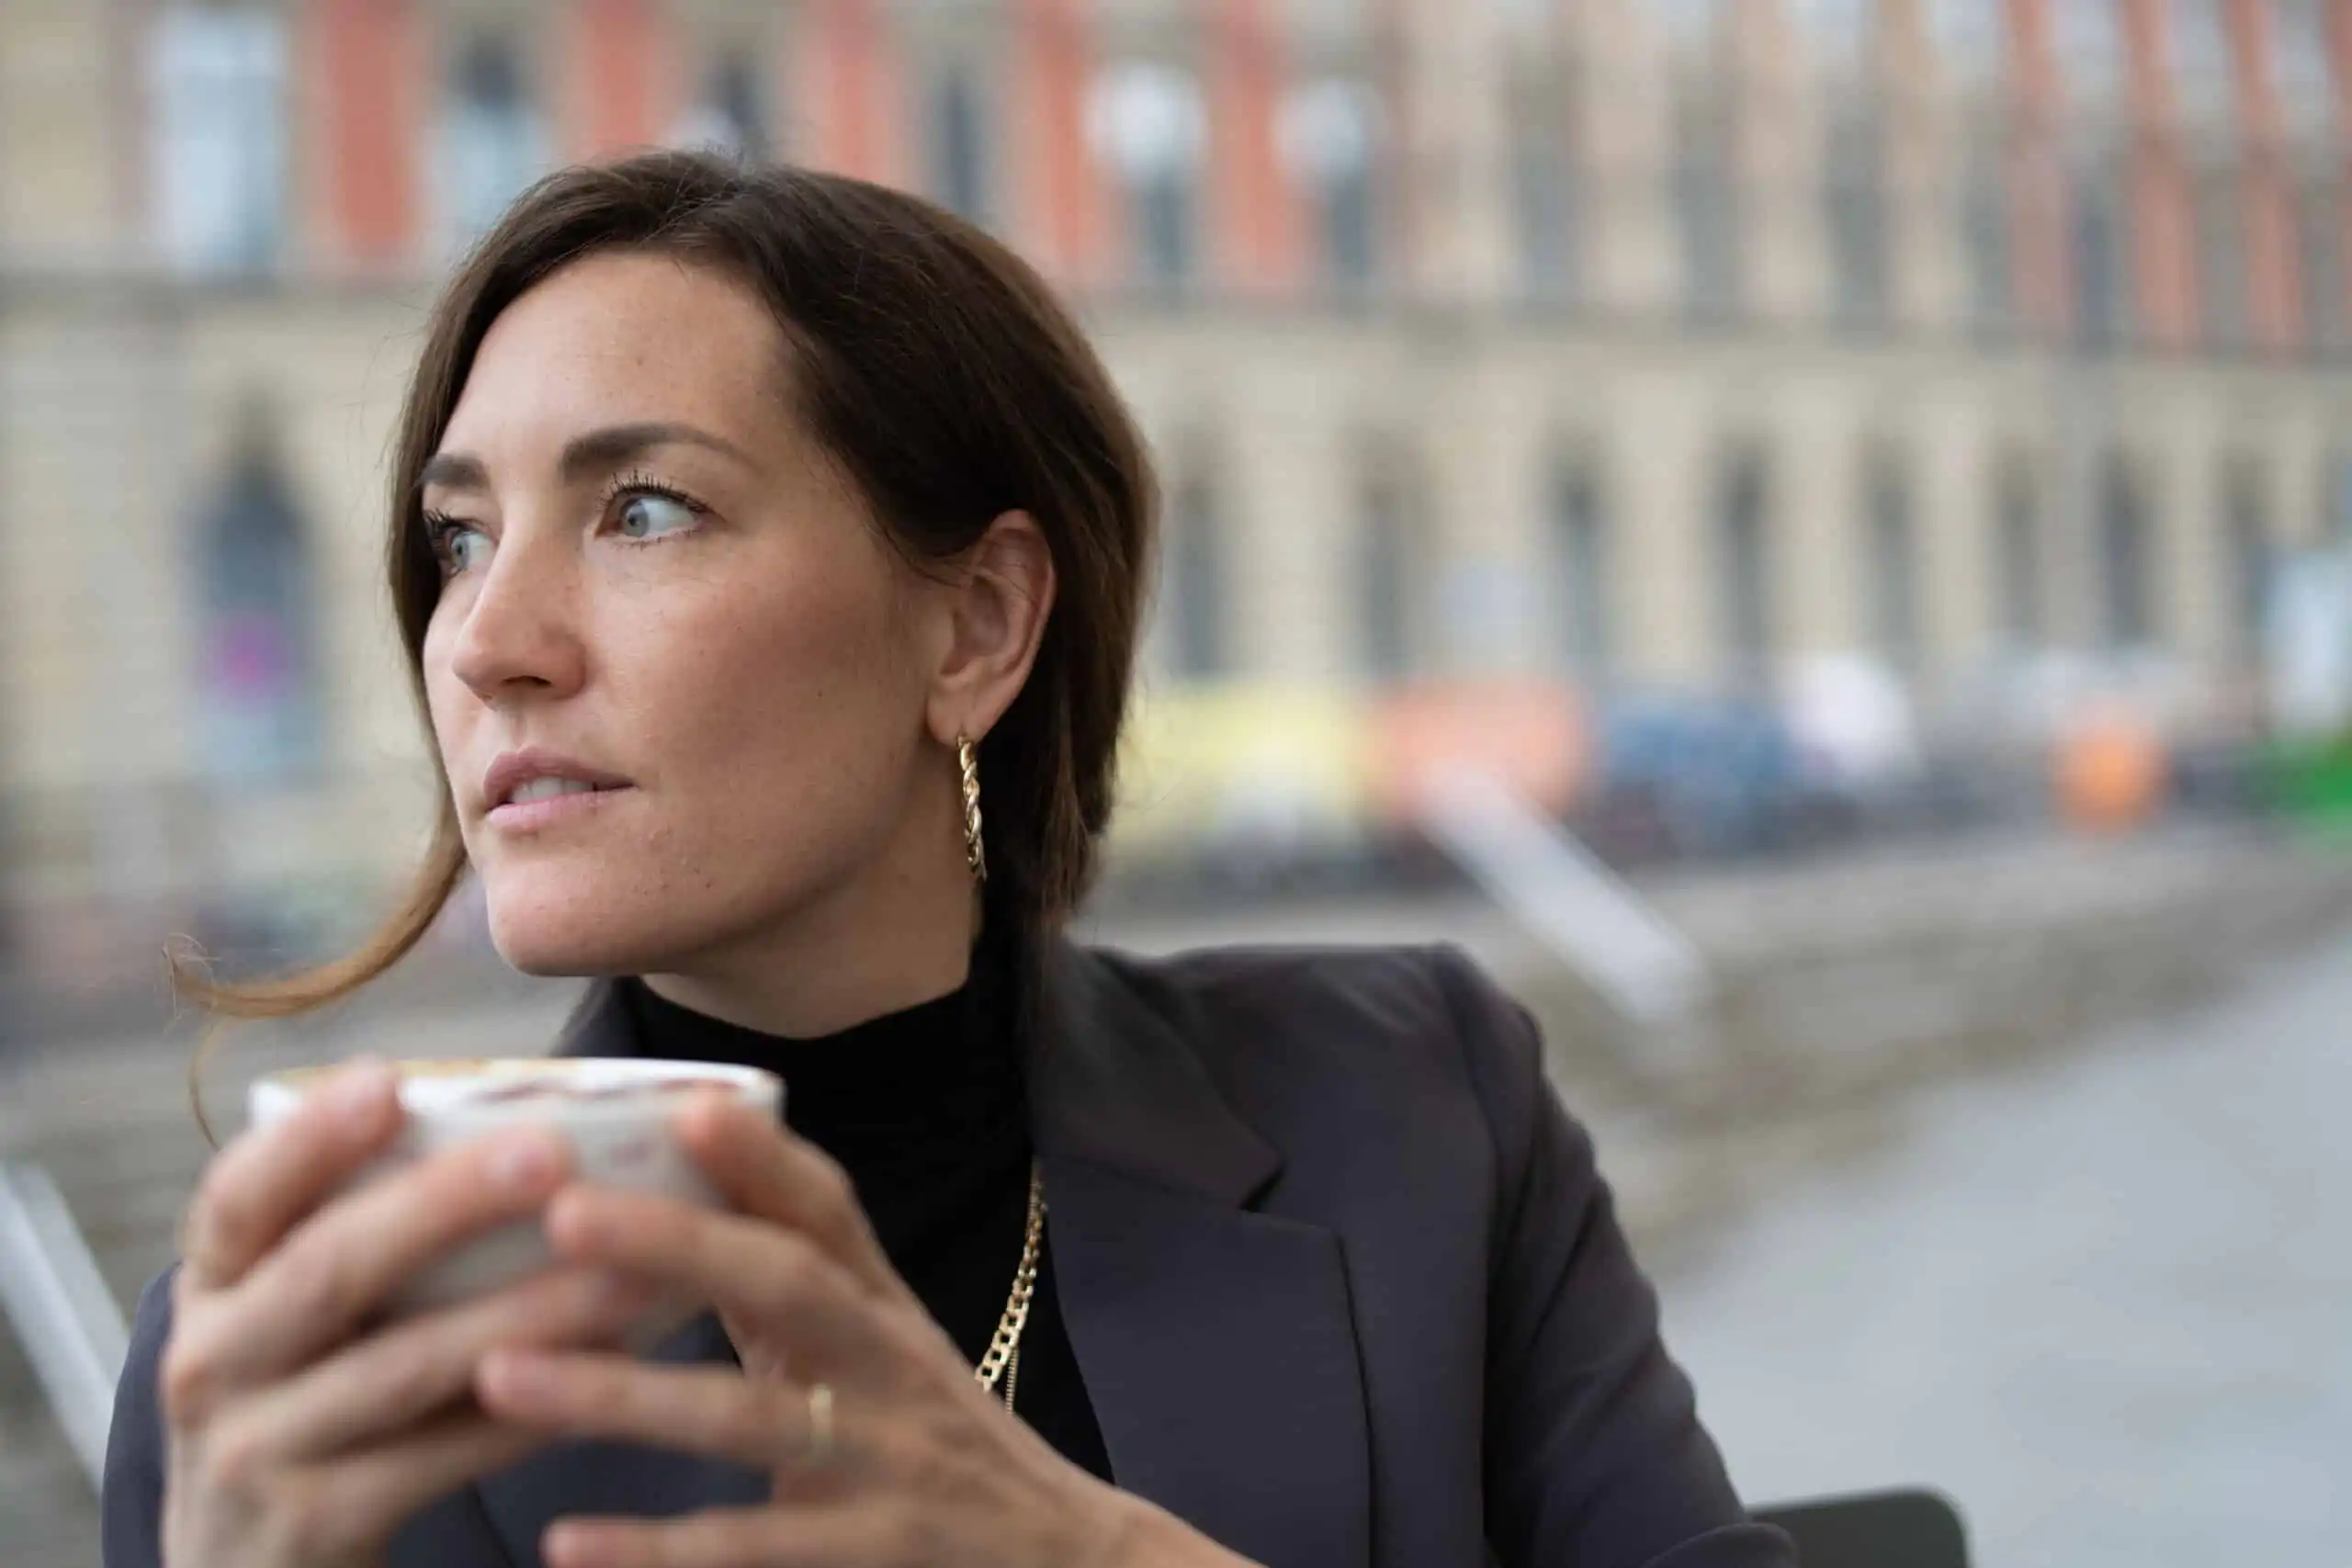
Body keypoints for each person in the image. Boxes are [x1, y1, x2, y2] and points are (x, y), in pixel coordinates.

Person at [102, 152, 1794, 1568]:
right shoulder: (293, 1368)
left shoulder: (1419, 1105)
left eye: (644, 510)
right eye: (460, 537)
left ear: (977, 624)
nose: (488, 642)